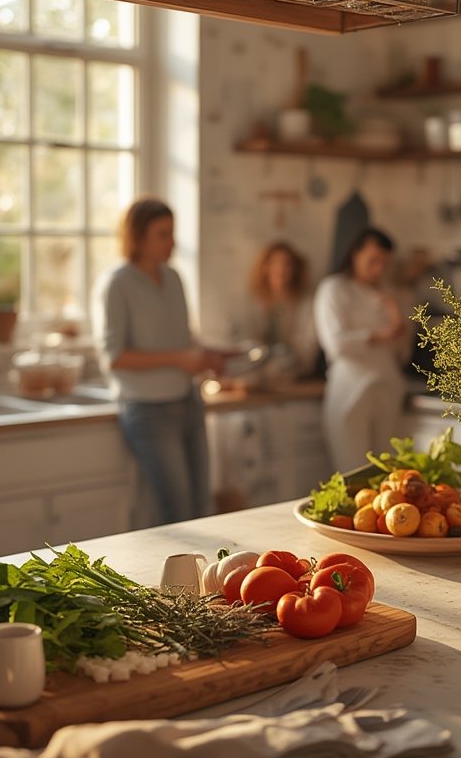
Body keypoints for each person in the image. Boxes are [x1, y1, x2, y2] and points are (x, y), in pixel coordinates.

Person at [96, 197, 225, 527]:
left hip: (188, 401)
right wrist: (181, 358)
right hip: (149, 412)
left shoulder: (174, 278)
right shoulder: (117, 284)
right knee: (178, 513)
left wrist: (209, 354)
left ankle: (204, 580)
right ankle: (179, 582)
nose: (172, 242)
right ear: (138, 237)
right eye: (163, 234)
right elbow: (115, 358)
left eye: (172, 233)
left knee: (202, 509)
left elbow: (182, 337)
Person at [313, 227, 410, 473]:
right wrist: (379, 335)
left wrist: (396, 319)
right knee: (354, 471)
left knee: (387, 472)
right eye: (372, 261)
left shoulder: (390, 294)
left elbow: (403, 352)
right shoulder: (333, 289)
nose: (378, 269)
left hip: (386, 388)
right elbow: (336, 344)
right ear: (355, 254)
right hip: (350, 391)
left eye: (384, 263)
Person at [246, 241, 319, 379]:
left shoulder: (307, 304)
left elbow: (306, 351)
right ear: (265, 267)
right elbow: (248, 345)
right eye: (274, 263)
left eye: (287, 264)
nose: (280, 269)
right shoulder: (253, 304)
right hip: (258, 374)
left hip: (295, 376)